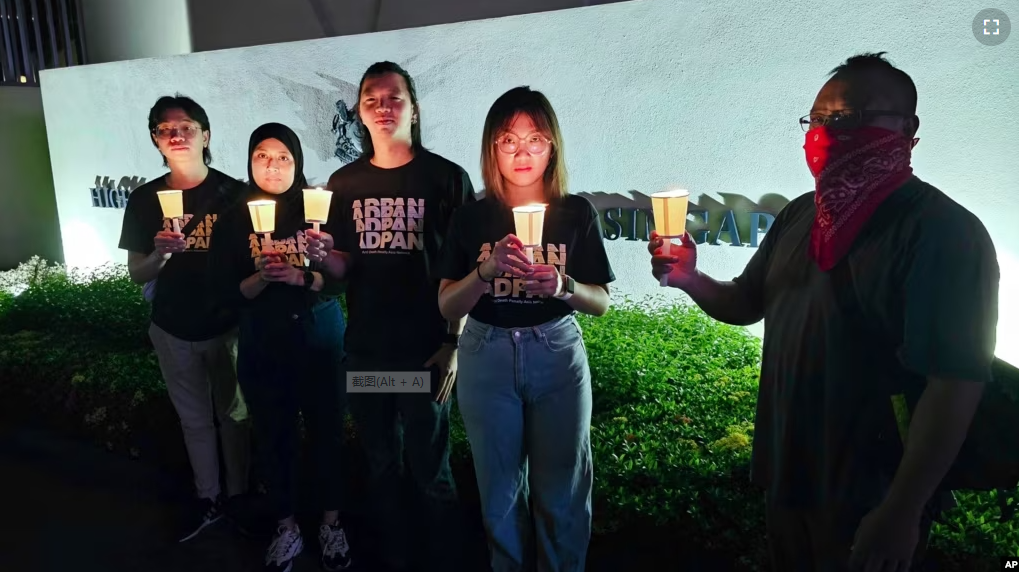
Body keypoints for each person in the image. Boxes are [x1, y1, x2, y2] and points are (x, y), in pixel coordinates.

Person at [649, 52, 1000, 571]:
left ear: (908, 128)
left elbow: (955, 383)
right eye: (818, 119)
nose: (827, 132)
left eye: (850, 117)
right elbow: (746, 303)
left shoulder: (943, 232)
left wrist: (902, 510)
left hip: (871, 494)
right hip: (788, 478)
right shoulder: (801, 214)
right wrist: (690, 278)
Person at [435, 86, 615, 572]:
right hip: (485, 353)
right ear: (492, 147)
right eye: (508, 140)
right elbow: (448, 301)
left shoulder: (575, 213)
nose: (522, 152)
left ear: (552, 145)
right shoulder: (472, 217)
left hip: (555, 352)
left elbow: (600, 301)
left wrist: (562, 284)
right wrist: (486, 271)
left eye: (535, 139)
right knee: (499, 493)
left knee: (563, 492)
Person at [305, 61, 474, 572]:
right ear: (359, 111)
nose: (383, 107)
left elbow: (466, 272)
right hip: (368, 351)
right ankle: (393, 558)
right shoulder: (344, 181)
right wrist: (320, 256)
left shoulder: (446, 178)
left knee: (430, 470)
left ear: (414, 108)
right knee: (379, 465)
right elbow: (342, 266)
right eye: (372, 98)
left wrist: (453, 344)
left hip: (425, 352)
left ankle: (440, 559)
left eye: (393, 97)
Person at [208, 123, 354, 572]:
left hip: (319, 336)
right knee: (274, 436)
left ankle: (332, 523)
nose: (273, 165)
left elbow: (342, 279)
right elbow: (223, 290)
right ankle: (286, 527)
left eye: (284, 157)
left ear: (298, 160)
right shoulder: (233, 217)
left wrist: (305, 276)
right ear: (250, 161)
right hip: (263, 341)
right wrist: (259, 280)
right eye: (263, 156)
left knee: (328, 431)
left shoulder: (317, 208)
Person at [118, 94, 251, 542]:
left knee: (234, 415)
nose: (176, 135)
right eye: (165, 129)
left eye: (186, 126)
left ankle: (239, 496)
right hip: (173, 328)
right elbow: (138, 272)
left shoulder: (234, 193)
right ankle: (208, 498)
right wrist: (160, 253)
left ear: (205, 135)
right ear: (156, 140)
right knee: (194, 420)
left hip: (226, 327)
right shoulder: (143, 200)